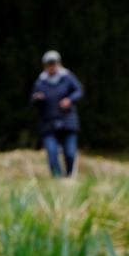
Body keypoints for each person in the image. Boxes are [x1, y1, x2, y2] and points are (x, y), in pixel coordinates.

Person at [30, 50, 83, 178]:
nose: (51, 66)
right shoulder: (41, 81)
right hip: (48, 122)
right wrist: (37, 98)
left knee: (70, 153)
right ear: (45, 66)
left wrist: (69, 100)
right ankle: (57, 178)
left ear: (58, 64)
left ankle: (69, 176)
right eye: (49, 64)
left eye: (53, 63)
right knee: (52, 153)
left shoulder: (67, 77)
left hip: (67, 121)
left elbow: (79, 91)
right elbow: (32, 100)